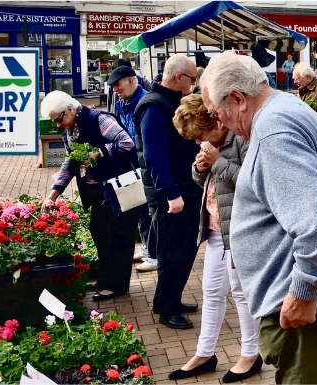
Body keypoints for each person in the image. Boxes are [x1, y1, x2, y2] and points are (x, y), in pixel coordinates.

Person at [205, 51, 317, 384]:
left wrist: (304, 291)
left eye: (216, 111)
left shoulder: (272, 130)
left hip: (316, 307)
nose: (219, 123)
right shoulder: (287, 108)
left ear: (238, 98)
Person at [166, 93, 262, 382]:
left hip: (240, 229)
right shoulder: (212, 144)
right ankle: (205, 352)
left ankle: (251, 353)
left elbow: (253, 181)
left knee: (241, 293)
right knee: (211, 291)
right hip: (215, 227)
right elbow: (208, 182)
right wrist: (200, 168)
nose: (198, 142)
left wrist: (218, 162)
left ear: (215, 122)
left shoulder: (241, 138)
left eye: (199, 135)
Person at [40, 90, 139, 303]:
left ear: (69, 109)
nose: (58, 125)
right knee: (99, 231)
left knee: (118, 236)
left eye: (59, 119)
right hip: (97, 193)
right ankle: (106, 278)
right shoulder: (70, 129)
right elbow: (70, 163)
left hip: (118, 190)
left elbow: (127, 142)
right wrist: (53, 194)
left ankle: (117, 285)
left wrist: (99, 152)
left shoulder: (99, 119)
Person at [133, 53, 202, 330]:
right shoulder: (154, 106)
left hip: (183, 188)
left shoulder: (169, 101)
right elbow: (154, 157)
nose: (194, 84)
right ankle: (168, 309)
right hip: (171, 193)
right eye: (192, 78)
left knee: (185, 247)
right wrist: (171, 193)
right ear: (178, 78)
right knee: (173, 251)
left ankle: (166, 299)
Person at [108, 65, 157, 273]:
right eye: (112, 86)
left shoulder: (146, 102)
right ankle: (147, 248)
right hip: (131, 164)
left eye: (118, 84)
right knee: (139, 210)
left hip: (146, 165)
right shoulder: (121, 104)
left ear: (131, 80)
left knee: (148, 211)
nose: (115, 90)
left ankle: (154, 254)